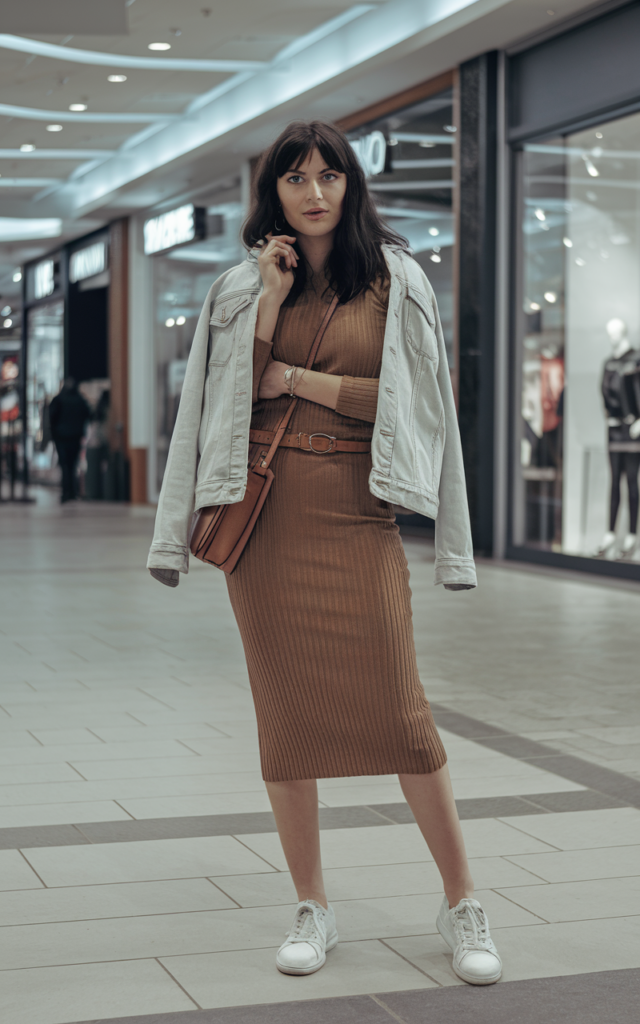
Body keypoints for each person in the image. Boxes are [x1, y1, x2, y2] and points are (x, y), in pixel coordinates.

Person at [147, 120, 502, 987]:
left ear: (351, 187)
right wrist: (268, 307)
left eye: (329, 176)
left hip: (356, 512)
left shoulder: (393, 279)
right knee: (289, 719)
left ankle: (461, 899)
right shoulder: (242, 285)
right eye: (295, 178)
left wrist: (301, 382)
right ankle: (313, 903)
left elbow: (411, 403)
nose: (313, 192)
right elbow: (219, 404)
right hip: (265, 528)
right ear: (271, 192)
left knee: (404, 716)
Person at [48, 377, 91, 503]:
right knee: (73, 465)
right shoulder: (80, 400)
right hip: (75, 436)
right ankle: (72, 492)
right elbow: (88, 415)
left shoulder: (58, 400)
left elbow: (52, 418)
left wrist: (54, 434)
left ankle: (66, 492)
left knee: (65, 465)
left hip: (62, 437)